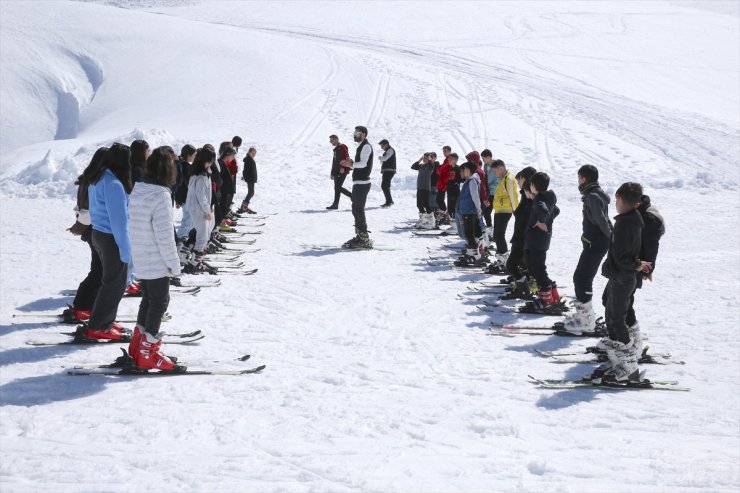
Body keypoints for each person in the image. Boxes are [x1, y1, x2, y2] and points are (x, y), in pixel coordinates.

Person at [127, 147, 182, 370]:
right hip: (156, 258)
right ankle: (147, 353)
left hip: (141, 254)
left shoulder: (138, 190)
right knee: (159, 302)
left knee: (149, 299)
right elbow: (165, 235)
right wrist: (174, 265)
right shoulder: (160, 195)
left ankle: (138, 345)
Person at [591, 182, 650, 383]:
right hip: (620, 275)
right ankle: (618, 359)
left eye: (620, 201)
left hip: (624, 277)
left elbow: (625, 256)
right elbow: (620, 252)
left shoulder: (628, 223)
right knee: (609, 307)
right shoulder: (628, 219)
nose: (617, 204)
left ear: (618, 197)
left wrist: (635, 264)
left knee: (617, 318)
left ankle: (629, 369)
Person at [78, 143, 132, 341]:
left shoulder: (100, 177)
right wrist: (126, 250)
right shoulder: (113, 184)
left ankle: (103, 320)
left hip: (100, 234)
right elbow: (119, 221)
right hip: (111, 237)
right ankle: (99, 325)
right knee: (114, 283)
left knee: (109, 281)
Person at [561, 165, 613, 334]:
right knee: (581, 277)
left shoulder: (592, 196)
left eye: (579, 178)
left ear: (583, 178)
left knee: (582, 278)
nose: (578, 181)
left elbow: (601, 221)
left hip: (596, 243)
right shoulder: (595, 194)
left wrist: (612, 240)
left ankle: (586, 320)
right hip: (595, 242)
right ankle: (585, 316)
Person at [63, 147, 109, 323]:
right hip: (95, 229)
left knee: (98, 268)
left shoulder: (88, 178)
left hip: (90, 230)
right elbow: (89, 210)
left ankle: (82, 305)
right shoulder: (96, 181)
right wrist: (81, 225)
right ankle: (83, 307)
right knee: (100, 270)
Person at [624, 193, 665, 354]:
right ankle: (625, 337)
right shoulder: (639, 212)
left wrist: (649, 268)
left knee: (623, 302)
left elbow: (651, 246)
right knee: (614, 300)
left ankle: (633, 341)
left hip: (636, 266)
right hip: (629, 264)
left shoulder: (648, 218)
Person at [523, 172, 561, 313]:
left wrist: (541, 222)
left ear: (533, 185)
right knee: (537, 267)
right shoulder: (549, 197)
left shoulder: (539, 199)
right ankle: (553, 295)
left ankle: (546, 300)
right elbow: (556, 210)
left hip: (536, 239)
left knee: (536, 268)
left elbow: (544, 211)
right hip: (541, 240)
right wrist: (548, 222)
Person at [500, 166, 537, 295]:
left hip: (524, 236)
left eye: (519, 179)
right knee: (520, 263)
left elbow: (527, 216)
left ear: (524, 178)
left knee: (513, 264)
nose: (518, 182)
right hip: (521, 235)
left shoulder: (530, 195)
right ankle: (521, 282)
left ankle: (523, 287)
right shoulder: (525, 194)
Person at [341, 126, 373, 249]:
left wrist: (352, 164)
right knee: (355, 209)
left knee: (358, 209)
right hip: (359, 182)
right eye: (354, 132)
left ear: (364, 134)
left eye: (357, 133)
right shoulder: (361, 146)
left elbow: (364, 164)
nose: (355, 134)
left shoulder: (366, 146)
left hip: (362, 183)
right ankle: (360, 236)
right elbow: (360, 164)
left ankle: (364, 239)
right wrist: (352, 163)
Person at [185, 147, 217, 271]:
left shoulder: (201, 173)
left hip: (199, 208)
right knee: (203, 236)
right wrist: (207, 210)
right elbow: (201, 196)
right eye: (211, 161)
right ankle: (195, 264)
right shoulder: (200, 176)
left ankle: (198, 261)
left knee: (205, 234)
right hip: (198, 209)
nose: (212, 163)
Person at [454, 162, 484, 267]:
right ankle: (472, 254)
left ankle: (476, 256)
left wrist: (478, 210)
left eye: (465, 169)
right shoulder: (469, 181)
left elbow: (475, 197)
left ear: (469, 170)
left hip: (470, 211)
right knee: (469, 234)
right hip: (467, 211)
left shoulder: (472, 181)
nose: (463, 171)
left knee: (469, 234)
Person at [490, 159, 519, 264]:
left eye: (495, 170)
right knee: (496, 234)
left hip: (505, 211)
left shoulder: (509, 179)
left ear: (501, 168)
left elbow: (514, 196)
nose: (495, 173)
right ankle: (501, 257)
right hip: (499, 210)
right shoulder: (503, 179)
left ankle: (504, 259)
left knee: (499, 234)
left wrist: (517, 212)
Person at [175, 145, 197, 240]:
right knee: (188, 221)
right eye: (194, 155)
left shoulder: (180, 164)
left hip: (183, 197)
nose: (195, 157)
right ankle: (179, 239)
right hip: (186, 197)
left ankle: (183, 239)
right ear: (189, 155)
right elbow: (188, 183)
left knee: (190, 221)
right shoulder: (184, 166)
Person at [327, 134, 352, 209]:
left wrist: (342, 167)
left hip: (342, 170)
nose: (331, 142)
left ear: (336, 139)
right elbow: (334, 162)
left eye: (332, 140)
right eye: (330, 141)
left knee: (338, 187)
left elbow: (347, 158)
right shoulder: (336, 149)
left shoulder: (342, 147)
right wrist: (332, 173)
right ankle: (335, 204)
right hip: (336, 171)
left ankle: (352, 196)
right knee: (337, 187)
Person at [411, 153, 435, 228]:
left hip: (425, 188)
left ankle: (431, 221)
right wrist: (420, 160)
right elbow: (413, 167)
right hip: (419, 188)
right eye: (424, 158)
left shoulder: (430, 166)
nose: (424, 159)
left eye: (426, 158)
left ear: (429, 159)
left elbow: (432, 165)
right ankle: (423, 220)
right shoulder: (421, 166)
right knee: (419, 204)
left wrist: (430, 159)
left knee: (426, 204)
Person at [480, 149, 498, 238]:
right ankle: (488, 229)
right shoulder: (485, 165)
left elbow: (497, 181)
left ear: (489, 157)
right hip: (487, 192)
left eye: (484, 158)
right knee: (485, 211)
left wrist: (489, 187)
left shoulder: (496, 166)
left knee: (487, 211)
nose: (483, 160)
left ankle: (491, 232)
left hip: (494, 193)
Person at [217, 144, 237, 220]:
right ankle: (221, 223)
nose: (233, 158)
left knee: (225, 207)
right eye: (232, 156)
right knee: (222, 208)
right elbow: (219, 178)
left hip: (226, 191)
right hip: (222, 191)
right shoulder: (220, 163)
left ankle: (223, 222)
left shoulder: (224, 163)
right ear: (228, 155)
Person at [377, 139, 396, 207]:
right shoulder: (387, 151)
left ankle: (389, 201)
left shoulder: (390, 150)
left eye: (382, 145)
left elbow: (384, 159)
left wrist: (380, 158)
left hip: (389, 170)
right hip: (387, 171)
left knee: (385, 186)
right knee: (385, 186)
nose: (381, 147)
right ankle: (389, 201)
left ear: (386, 144)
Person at [435, 146, 451, 219]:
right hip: (442, 183)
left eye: (445, 151)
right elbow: (440, 170)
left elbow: (441, 169)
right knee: (440, 200)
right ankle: (445, 215)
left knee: (439, 200)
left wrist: (439, 169)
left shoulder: (449, 159)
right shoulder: (446, 159)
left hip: (444, 183)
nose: (444, 152)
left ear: (449, 151)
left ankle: (445, 215)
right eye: (443, 151)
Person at [240, 147, 258, 214]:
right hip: (250, 178)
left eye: (255, 154)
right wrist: (244, 176)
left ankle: (244, 206)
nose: (254, 155)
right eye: (253, 153)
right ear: (249, 152)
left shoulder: (250, 159)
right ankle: (243, 207)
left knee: (251, 192)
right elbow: (245, 170)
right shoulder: (248, 159)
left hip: (251, 178)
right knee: (251, 192)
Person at [446, 153, 461, 219]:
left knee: (455, 208)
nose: (449, 160)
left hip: (455, 192)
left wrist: (456, 182)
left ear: (455, 160)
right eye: (449, 159)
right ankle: (452, 222)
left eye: (450, 159)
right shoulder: (450, 168)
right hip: (449, 191)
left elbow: (461, 179)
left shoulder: (458, 168)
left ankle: (456, 222)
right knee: (449, 208)